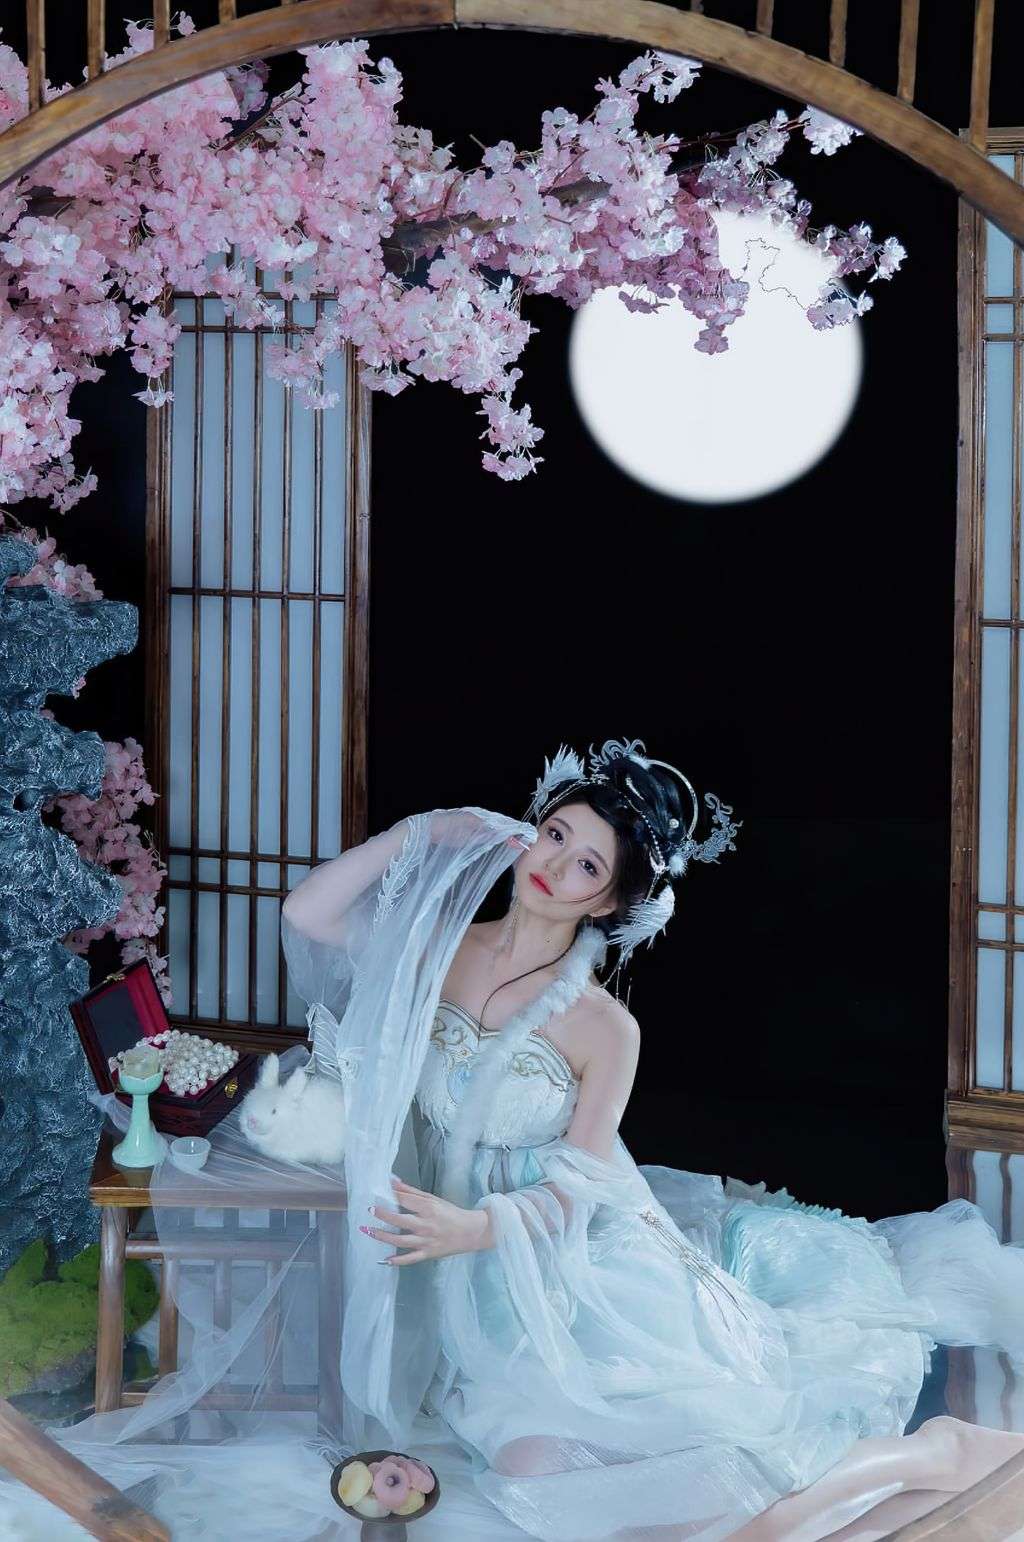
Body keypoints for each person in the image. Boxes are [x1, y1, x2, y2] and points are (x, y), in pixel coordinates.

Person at [3, 737, 1023, 1542]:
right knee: (531, 1480)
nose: (555, 866)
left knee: (623, 1478)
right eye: (555, 835)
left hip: (564, 1264)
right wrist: (424, 832)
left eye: (587, 864)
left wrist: (475, 1228)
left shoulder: (603, 1026)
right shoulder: (437, 951)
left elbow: (584, 1181)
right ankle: (893, 1484)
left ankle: (917, 1460)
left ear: (611, 900)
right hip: (448, 1261)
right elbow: (308, 914)